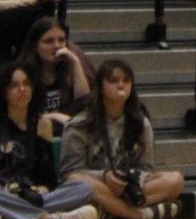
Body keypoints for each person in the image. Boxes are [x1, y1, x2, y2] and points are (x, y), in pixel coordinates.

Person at [0, 63, 98, 219]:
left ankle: (25, 214)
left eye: (27, 84)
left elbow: (48, 178)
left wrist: (43, 188)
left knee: (84, 188)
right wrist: (2, 194)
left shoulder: (42, 124)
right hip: (1, 195)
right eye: (14, 85)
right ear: (4, 92)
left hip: (33, 196)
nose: (22, 89)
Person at [59, 59, 185, 219]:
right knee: (82, 183)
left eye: (126, 81)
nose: (121, 85)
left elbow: (146, 167)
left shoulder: (141, 123)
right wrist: (105, 176)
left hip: (128, 189)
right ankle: (139, 215)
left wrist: (127, 181)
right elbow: (70, 173)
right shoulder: (80, 124)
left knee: (175, 180)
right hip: (98, 185)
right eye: (113, 80)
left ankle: (111, 209)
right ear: (101, 87)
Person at [18, 17, 91, 124]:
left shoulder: (70, 68)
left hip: (66, 130)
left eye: (61, 40)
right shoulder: (21, 73)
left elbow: (84, 104)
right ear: (34, 46)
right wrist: (54, 116)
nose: (57, 46)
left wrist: (76, 62)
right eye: (49, 41)